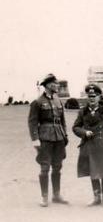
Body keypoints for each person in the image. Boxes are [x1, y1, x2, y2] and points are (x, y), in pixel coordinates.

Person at [28, 73, 69, 207]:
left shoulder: (58, 101)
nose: (57, 86)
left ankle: (56, 195)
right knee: (45, 167)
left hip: (59, 137)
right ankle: (44, 197)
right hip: (45, 138)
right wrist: (35, 140)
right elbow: (32, 122)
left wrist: (65, 135)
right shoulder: (38, 102)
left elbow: (62, 120)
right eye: (55, 84)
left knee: (57, 166)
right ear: (48, 85)